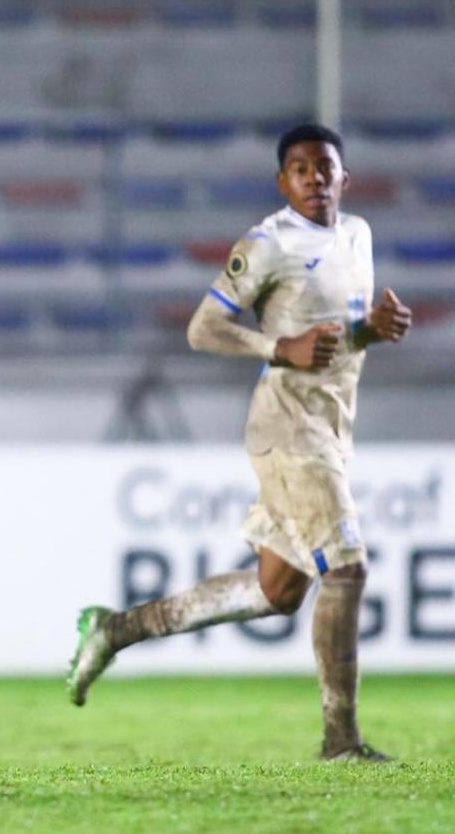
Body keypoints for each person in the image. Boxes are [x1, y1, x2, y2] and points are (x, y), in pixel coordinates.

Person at [67, 123, 412, 761]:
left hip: (332, 426)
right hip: (285, 426)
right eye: (300, 169)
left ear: (344, 177)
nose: (315, 178)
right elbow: (203, 328)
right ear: (284, 182)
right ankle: (342, 741)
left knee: (276, 593)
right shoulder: (268, 243)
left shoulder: (358, 235)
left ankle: (115, 630)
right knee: (348, 566)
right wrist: (278, 347)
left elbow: (336, 332)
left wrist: (373, 328)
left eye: (324, 167)